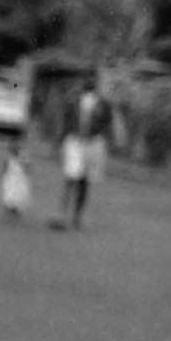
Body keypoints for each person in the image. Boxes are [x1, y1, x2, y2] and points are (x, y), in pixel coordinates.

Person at [54, 76, 112, 230]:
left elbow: (107, 123)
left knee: (83, 181)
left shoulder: (102, 104)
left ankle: (76, 217)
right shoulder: (74, 101)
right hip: (75, 141)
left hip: (91, 142)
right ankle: (63, 216)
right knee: (71, 178)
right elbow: (66, 122)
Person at [0, 136, 32, 222]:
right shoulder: (8, 158)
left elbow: (27, 168)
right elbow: (5, 168)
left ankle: (16, 212)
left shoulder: (23, 157)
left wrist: (22, 162)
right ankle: (9, 213)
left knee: (19, 196)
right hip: (10, 179)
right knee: (9, 196)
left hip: (19, 179)